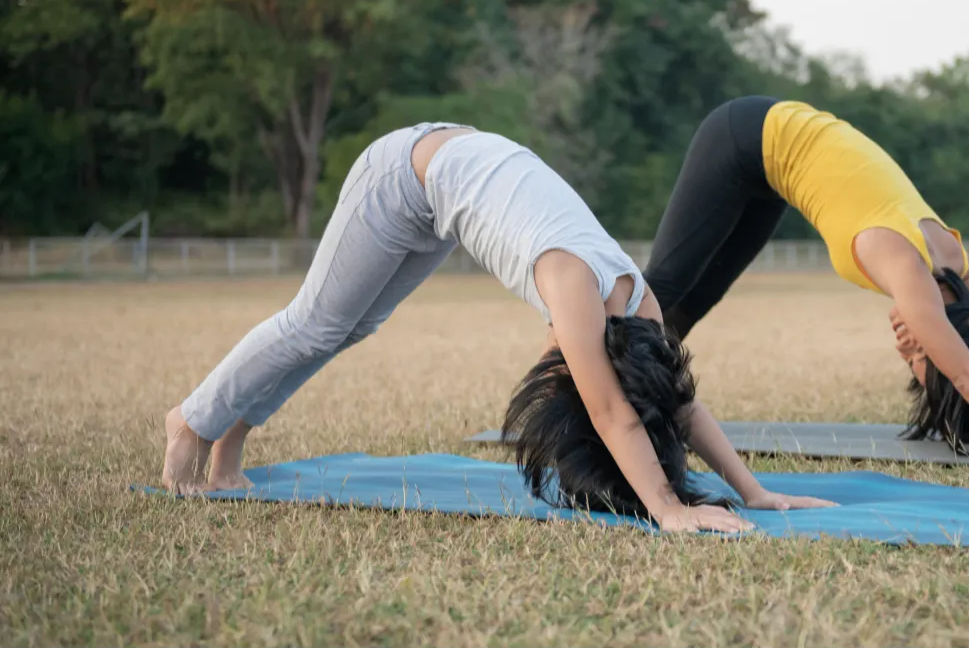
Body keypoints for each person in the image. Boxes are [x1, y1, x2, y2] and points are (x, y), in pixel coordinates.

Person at [162, 121, 833, 533]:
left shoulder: (641, 308)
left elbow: (674, 403)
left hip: (448, 176)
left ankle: (229, 443)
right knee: (316, 321)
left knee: (347, 326)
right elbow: (610, 411)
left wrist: (755, 491)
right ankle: (193, 420)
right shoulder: (575, 285)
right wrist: (668, 508)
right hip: (402, 173)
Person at [642, 96, 969, 470]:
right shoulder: (907, 267)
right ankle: (578, 389)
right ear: (947, 337)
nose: (910, 360)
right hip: (744, 134)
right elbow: (968, 375)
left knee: (685, 312)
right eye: (923, 369)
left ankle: (635, 412)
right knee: (659, 292)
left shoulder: (959, 266)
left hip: (775, 165)